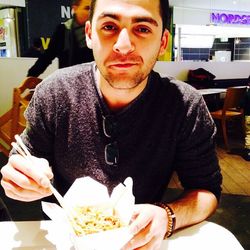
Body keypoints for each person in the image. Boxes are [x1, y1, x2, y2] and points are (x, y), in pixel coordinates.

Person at [1, 0, 222, 249]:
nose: (123, 46)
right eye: (108, 26)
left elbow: (206, 191)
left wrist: (168, 216)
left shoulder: (184, 104)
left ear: (163, 42)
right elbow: (24, 160)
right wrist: (19, 178)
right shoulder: (55, 93)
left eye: (142, 29)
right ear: (89, 35)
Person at [27, 0, 94, 77]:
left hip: (94, 83)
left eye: (92, 9)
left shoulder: (98, 32)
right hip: (68, 82)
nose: (90, 13)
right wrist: (31, 75)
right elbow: (47, 56)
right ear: (75, 8)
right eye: (87, 8)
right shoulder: (63, 30)